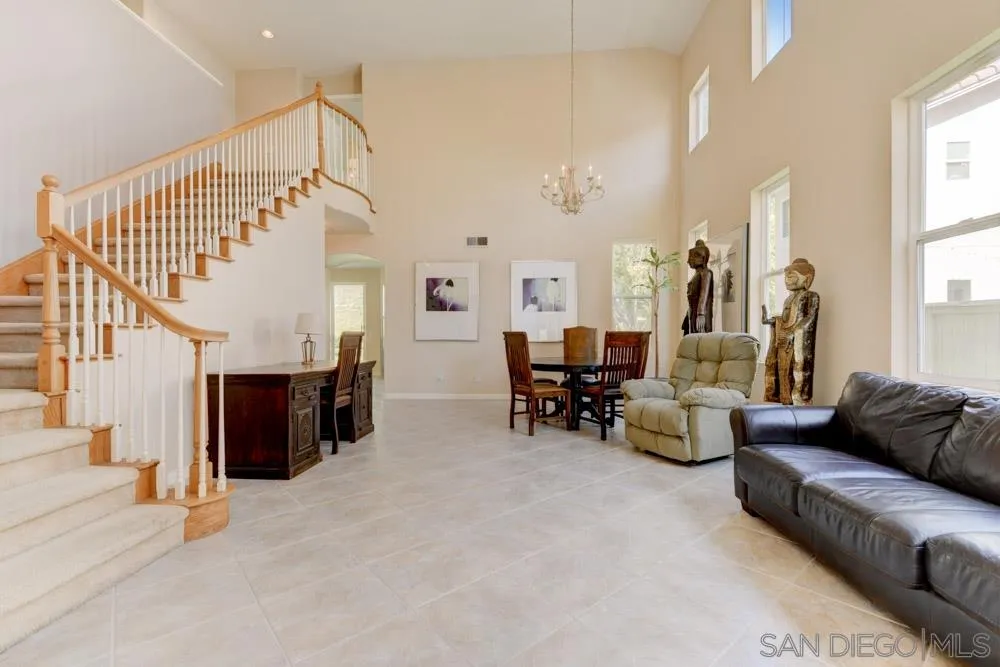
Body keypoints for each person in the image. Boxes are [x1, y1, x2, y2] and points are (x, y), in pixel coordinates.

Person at [761, 258, 820, 405]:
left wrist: (793, 333)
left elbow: (809, 319)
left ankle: (798, 403)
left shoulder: (811, 296)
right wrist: (773, 321)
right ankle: (785, 401)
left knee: (796, 372)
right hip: (783, 340)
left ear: (807, 278)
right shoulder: (788, 300)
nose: (787, 280)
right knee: (782, 372)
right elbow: (784, 318)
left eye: (791, 276)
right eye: (786, 277)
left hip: (796, 341)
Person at [682, 239, 714, 334]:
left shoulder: (706, 273)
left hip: (699, 314)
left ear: (702, 258)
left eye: (692, 258)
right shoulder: (697, 274)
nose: (688, 261)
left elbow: (704, 294)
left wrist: (701, 313)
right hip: (692, 311)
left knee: (699, 336)